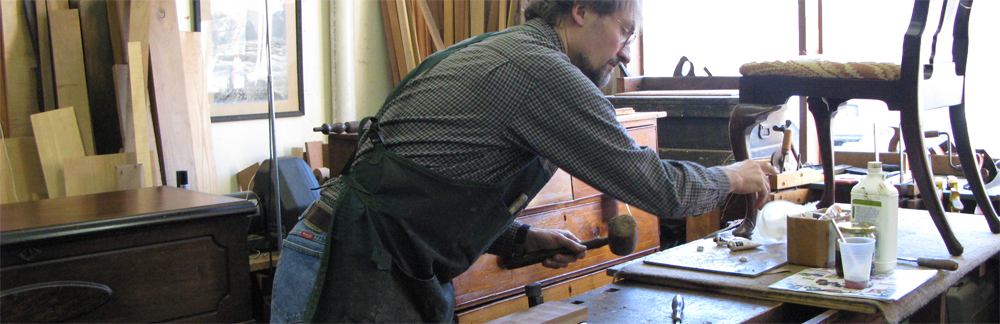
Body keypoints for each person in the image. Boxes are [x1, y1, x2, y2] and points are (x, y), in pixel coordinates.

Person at [270, 1, 776, 323]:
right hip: (347, 261)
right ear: (580, 10)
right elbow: (654, 187)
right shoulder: (539, 71)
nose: (626, 53)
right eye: (624, 31)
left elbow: (433, 184)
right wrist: (731, 175)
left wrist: (520, 238)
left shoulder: (504, 54)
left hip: (381, 257)